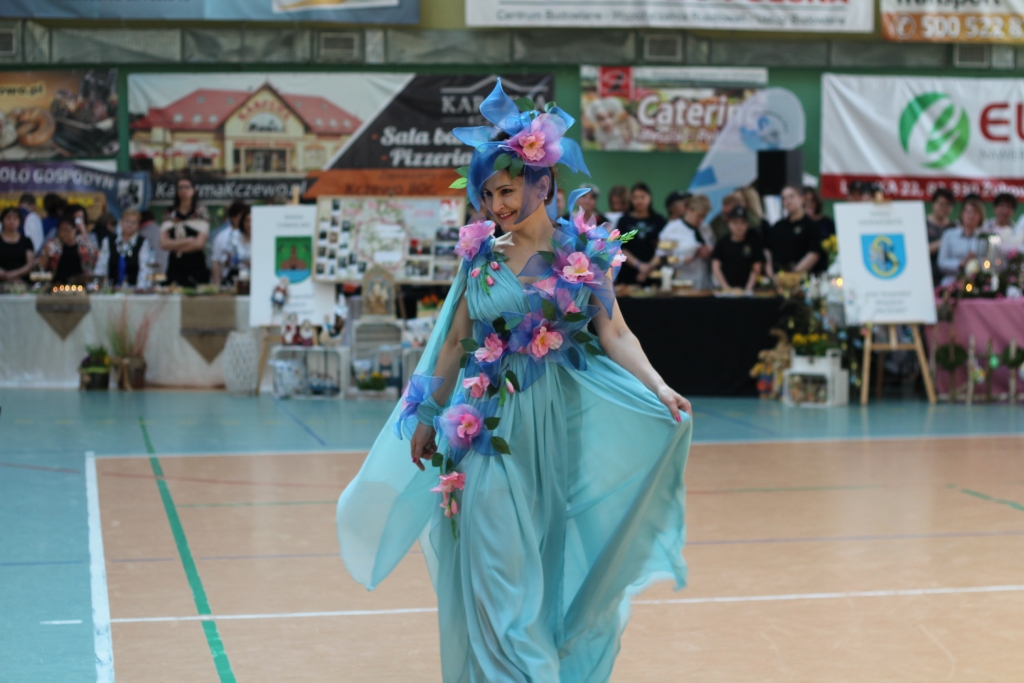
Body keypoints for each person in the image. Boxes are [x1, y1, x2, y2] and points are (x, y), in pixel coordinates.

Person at [336, 80, 691, 683]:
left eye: (505, 190)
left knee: (532, 576)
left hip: (550, 431)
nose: (495, 204)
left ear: (543, 184)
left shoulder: (586, 254)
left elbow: (615, 333)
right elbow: (455, 340)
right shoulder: (480, 255)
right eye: (487, 193)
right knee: (497, 572)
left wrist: (658, 387)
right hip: (483, 430)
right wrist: (428, 415)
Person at [160, 175, 210, 286]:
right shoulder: (170, 213)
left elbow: (199, 244)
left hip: (196, 264)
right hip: (175, 264)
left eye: (187, 187)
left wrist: (174, 246)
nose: (184, 190)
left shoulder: (201, 212)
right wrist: (188, 241)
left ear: (193, 190)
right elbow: (163, 243)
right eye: (180, 187)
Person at [657, 193, 714, 289]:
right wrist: (682, 259)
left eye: (704, 216)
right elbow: (662, 258)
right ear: (688, 210)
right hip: (682, 284)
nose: (701, 220)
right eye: (698, 216)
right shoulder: (671, 230)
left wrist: (710, 251)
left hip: (705, 284)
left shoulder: (706, 228)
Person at [615, 182, 667, 285]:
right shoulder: (624, 221)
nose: (639, 201)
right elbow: (620, 248)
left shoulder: (659, 220)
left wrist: (648, 268)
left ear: (650, 198)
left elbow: (663, 247)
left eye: (642, 197)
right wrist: (639, 266)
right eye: (635, 197)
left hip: (654, 275)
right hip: (628, 276)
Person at [764, 185, 821, 277]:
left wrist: (793, 274)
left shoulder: (811, 226)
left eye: (791, 196)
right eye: (784, 198)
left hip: (801, 279)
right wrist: (770, 270)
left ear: (801, 198)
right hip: (777, 279)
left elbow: (814, 253)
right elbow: (767, 250)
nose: (788, 201)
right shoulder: (778, 226)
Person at [711, 205, 765, 292]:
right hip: (726, 290)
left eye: (742, 222)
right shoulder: (722, 243)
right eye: (735, 222)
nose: (739, 226)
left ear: (747, 224)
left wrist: (748, 289)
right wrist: (726, 288)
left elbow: (756, 266)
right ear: (728, 224)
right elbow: (716, 266)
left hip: (749, 290)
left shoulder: (753, 242)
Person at [95, 209, 152, 288]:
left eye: (133, 222)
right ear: (121, 222)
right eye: (127, 221)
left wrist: (140, 289)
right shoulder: (109, 241)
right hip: (111, 288)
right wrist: (97, 286)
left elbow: (144, 269)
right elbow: (101, 266)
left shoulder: (143, 243)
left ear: (138, 225)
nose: (129, 225)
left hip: (133, 289)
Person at [937, 196, 987, 286]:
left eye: (975, 212)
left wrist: (977, 262)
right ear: (962, 214)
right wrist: (960, 264)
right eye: (968, 211)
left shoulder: (983, 238)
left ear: (980, 217)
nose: (971, 215)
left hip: (977, 284)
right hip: (951, 282)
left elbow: (989, 264)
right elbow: (941, 263)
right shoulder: (949, 235)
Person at [39, 212, 98, 284]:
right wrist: (46, 255)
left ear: (75, 230)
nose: (63, 234)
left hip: (82, 285)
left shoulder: (85, 244)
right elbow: (41, 268)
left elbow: (96, 262)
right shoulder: (52, 244)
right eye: (61, 230)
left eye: (67, 230)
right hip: (57, 285)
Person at [211, 200, 248, 285]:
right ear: (233, 217)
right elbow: (216, 262)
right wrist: (217, 284)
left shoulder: (251, 235)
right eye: (242, 217)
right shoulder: (221, 236)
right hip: (228, 280)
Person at [926, 188, 956, 285]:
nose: (944, 208)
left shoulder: (954, 227)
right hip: (927, 273)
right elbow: (919, 251)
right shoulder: (923, 224)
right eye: (941, 204)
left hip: (948, 277)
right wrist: (943, 243)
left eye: (947, 205)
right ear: (933, 204)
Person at [218, 206, 252, 286]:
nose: (250, 224)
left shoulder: (262, 240)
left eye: (252, 221)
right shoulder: (234, 237)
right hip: (237, 277)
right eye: (247, 221)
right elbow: (225, 261)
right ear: (242, 222)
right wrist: (229, 259)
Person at [0, 207, 35, 283]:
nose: (11, 221)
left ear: (20, 221)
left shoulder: (26, 241)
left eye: (15, 219)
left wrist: (14, 274)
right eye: (8, 218)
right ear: (2, 221)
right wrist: (4, 275)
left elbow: (30, 264)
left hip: (22, 282)